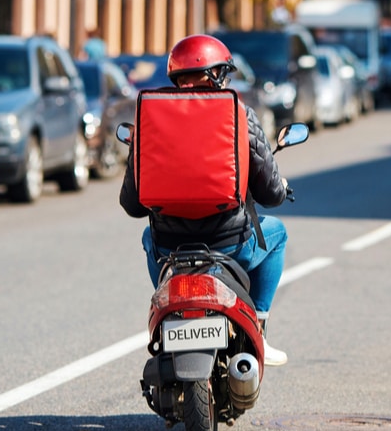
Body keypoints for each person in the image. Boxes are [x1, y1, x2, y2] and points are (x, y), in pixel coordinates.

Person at [119, 34, 291, 366]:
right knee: (278, 233)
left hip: (170, 248)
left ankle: (171, 310)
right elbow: (270, 194)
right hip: (231, 245)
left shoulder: (148, 118)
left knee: (147, 236)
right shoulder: (239, 113)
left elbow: (132, 204)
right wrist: (281, 188)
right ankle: (258, 326)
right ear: (217, 75)